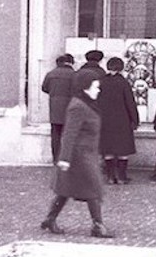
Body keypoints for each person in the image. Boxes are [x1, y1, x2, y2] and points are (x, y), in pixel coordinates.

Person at [40, 69, 114, 238]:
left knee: (66, 190)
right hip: (78, 156)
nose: (98, 90)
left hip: (86, 154)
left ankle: (50, 219)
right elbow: (69, 133)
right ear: (85, 88)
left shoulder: (87, 104)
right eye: (95, 87)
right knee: (94, 188)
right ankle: (98, 226)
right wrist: (64, 158)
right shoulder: (78, 106)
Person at [98, 56, 139, 184]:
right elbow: (130, 103)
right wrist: (135, 120)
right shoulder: (123, 83)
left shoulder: (101, 82)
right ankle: (121, 176)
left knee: (108, 149)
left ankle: (110, 176)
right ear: (121, 68)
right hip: (122, 120)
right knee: (122, 150)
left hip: (105, 120)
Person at [41, 53, 75, 164]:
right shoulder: (74, 75)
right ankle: (67, 158)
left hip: (55, 108)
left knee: (55, 134)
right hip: (70, 108)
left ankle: (56, 158)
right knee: (68, 134)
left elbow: (44, 88)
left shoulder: (51, 74)